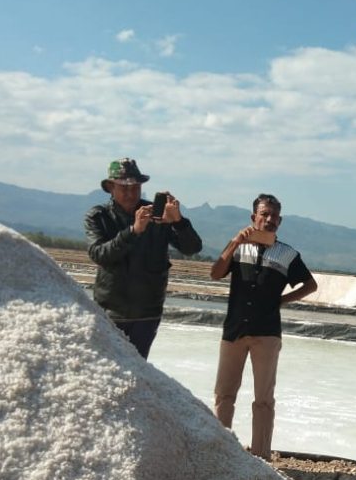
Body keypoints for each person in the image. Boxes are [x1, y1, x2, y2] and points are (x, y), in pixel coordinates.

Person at [210, 193, 317, 461]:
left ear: (280, 221)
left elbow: (310, 285)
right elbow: (215, 273)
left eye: (274, 216)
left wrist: (281, 300)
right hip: (234, 330)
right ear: (253, 218)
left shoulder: (287, 254)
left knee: (264, 399)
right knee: (224, 394)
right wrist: (235, 242)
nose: (269, 220)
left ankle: (260, 457)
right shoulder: (238, 248)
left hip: (267, 333)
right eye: (264, 214)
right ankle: (219, 451)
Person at [85, 157, 202, 359]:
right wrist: (133, 231)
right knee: (107, 366)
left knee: (138, 369)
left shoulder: (157, 215)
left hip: (147, 312)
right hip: (110, 311)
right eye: (124, 188)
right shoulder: (99, 217)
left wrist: (179, 221)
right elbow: (100, 254)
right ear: (111, 188)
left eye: (135, 187)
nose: (130, 193)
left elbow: (192, 248)